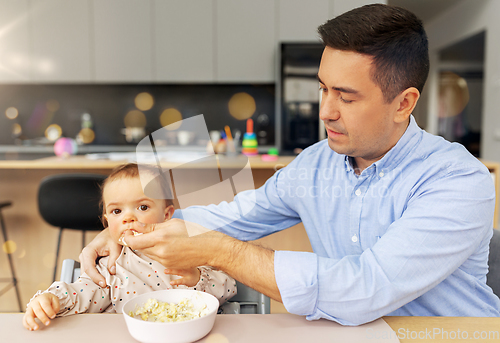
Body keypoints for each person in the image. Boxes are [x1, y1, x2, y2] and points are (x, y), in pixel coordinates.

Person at [80, 4, 500, 325]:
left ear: (403, 103)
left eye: (346, 96)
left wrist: (221, 253)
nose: (326, 112)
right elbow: (236, 216)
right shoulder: (315, 165)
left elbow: (366, 289)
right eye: (323, 89)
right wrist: (136, 229)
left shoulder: (457, 179)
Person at [23, 163, 236, 331]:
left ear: (167, 215)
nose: (129, 218)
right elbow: (83, 294)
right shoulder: (111, 266)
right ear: (106, 221)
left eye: (142, 207)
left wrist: (197, 278)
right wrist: (53, 299)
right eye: (117, 211)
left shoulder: (187, 249)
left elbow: (228, 288)